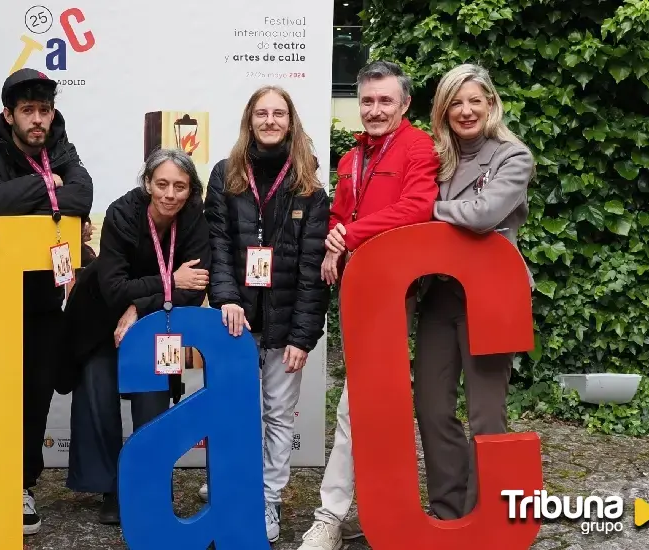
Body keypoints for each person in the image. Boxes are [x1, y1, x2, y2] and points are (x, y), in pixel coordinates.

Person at [298, 60, 440, 550]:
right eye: (367, 101)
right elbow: (339, 213)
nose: (375, 109)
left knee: (356, 405)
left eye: (385, 101)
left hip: (395, 291)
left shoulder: (419, 147)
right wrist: (335, 241)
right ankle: (382, 512)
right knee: (365, 403)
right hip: (358, 290)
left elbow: (417, 208)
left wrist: (348, 236)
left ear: (404, 105)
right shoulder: (351, 156)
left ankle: (330, 516)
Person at [203, 85, 330, 543]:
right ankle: (233, 489)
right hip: (236, 319)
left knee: (278, 415)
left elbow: (315, 266)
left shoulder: (309, 184)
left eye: (279, 113)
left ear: (291, 121)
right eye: (262, 113)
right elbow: (217, 244)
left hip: (283, 323)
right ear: (250, 120)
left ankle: (269, 500)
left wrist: (302, 337)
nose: (270, 120)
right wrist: (226, 297)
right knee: (234, 410)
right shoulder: (226, 174)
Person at [61, 148, 211, 524]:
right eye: (162, 184)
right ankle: (112, 489)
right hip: (100, 319)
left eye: (180, 186)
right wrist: (168, 282)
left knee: (153, 401)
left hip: (155, 323)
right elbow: (113, 287)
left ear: (191, 190)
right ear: (147, 183)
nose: (170, 194)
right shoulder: (122, 212)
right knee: (98, 394)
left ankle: (148, 484)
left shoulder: (194, 220)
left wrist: (140, 306)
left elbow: (193, 290)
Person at [0, 67, 94, 535]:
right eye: (28, 111)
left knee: (36, 395)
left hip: (45, 298)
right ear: (9, 115)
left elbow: (83, 193)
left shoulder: (60, 144)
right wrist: (51, 190)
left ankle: (23, 484)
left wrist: (56, 195)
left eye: (44, 110)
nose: (38, 120)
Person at [414, 63, 534, 521]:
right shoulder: (435, 156)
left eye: (474, 101)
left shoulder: (512, 155)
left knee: (486, 416)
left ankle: (484, 516)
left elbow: (484, 214)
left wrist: (426, 209)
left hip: (492, 296)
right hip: (441, 296)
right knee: (431, 408)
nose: (465, 111)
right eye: (455, 103)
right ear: (443, 112)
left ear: (490, 104)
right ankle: (447, 513)